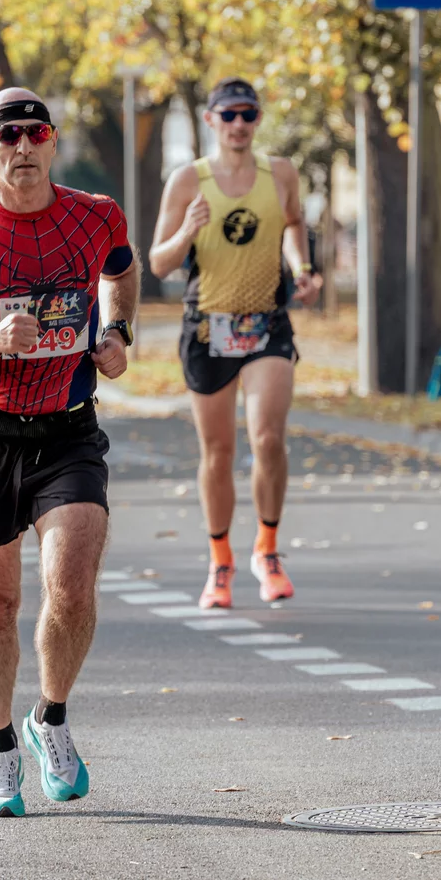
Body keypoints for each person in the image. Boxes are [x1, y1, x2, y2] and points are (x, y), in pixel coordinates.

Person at [0, 87, 137, 818]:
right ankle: (0, 746)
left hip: (70, 430)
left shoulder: (96, 215)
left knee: (71, 586)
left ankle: (51, 717)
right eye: (6, 135)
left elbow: (120, 270)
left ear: (53, 143)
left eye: (35, 133)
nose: (22, 146)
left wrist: (117, 333)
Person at [148, 77, 322, 610]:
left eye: (248, 114)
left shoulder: (281, 173)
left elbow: (294, 225)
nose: (239, 124)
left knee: (268, 438)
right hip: (208, 327)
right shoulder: (188, 180)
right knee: (218, 452)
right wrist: (187, 230)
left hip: (267, 322)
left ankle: (267, 550)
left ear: (258, 119)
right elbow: (158, 262)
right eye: (229, 115)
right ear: (211, 121)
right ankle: (220, 561)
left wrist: (302, 269)